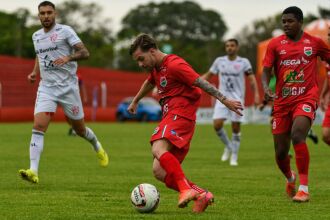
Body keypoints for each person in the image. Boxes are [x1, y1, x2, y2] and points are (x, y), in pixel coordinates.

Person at [127, 34, 243, 213]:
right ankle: (202, 194)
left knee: (158, 149)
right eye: (137, 61)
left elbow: (200, 82)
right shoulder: (156, 68)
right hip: (174, 117)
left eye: (141, 59)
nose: (140, 64)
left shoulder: (174, 64)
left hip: (179, 114)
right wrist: (135, 100)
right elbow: (149, 81)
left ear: (152, 51)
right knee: (159, 171)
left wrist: (225, 100)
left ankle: (185, 189)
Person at [19, 1, 109, 184]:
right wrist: (35, 73)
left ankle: (97, 146)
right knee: (38, 126)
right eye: (42, 13)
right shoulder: (36, 36)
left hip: (69, 88)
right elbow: (39, 55)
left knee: (80, 129)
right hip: (47, 88)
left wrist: (69, 57)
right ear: (38, 16)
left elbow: (85, 52)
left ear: (55, 14)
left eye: (49, 13)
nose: (46, 16)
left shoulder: (65, 31)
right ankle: (33, 171)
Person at [262, 6, 330, 202]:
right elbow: (266, 71)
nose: (286, 25)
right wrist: (266, 87)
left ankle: (304, 189)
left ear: (300, 22)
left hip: (306, 97)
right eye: (283, 21)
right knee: (280, 152)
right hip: (282, 102)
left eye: (290, 21)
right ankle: (290, 178)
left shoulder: (314, 43)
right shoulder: (275, 44)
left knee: (298, 134)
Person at [202, 38, 260, 166]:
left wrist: (256, 95)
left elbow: (251, 79)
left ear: (237, 47)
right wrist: (194, 82)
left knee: (235, 127)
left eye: (232, 45)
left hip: (237, 99)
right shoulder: (219, 61)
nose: (229, 47)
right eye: (227, 45)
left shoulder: (243, 62)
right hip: (222, 98)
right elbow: (208, 75)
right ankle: (229, 146)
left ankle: (234, 156)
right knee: (217, 125)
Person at [67, 72, 88, 136]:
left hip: (75, 97)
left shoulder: (78, 77)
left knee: (75, 113)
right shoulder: (66, 75)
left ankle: (75, 129)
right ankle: (73, 127)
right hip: (67, 97)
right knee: (67, 115)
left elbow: (82, 87)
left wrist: (84, 97)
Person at [320, 26, 330, 146]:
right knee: (326, 136)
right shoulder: (327, 58)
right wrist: (322, 96)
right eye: (329, 34)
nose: (329, 37)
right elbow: (328, 80)